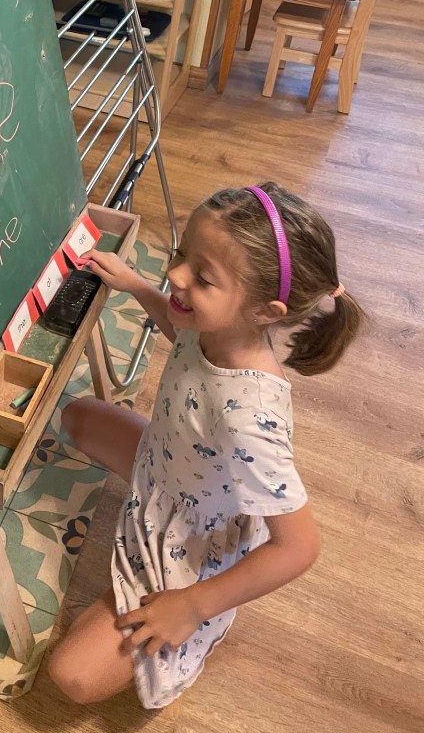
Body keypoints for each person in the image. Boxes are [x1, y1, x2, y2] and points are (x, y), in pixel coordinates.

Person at [47, 182, 363, 709]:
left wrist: (193, 605)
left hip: (192, 535)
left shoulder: (249, 417)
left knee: (71, 676)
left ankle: (202, 626)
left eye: (203, 277)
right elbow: (182, 335)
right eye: (180, 254)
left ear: (266, 312)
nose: (176, 275)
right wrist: (135, 285)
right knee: (77, 416)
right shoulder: (214, 324)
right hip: (162, 463)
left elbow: (299, 547)